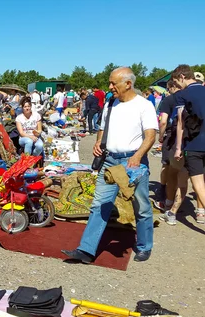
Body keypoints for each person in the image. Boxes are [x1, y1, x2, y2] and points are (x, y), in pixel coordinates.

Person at [62, 67, 158, 263]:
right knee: (99, 204)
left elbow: (150, 136)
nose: (110, 86)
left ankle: (144, 246)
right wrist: (98, 142)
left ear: (128, 84)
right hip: (110, 161)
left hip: (133, 162)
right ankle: (86, 250)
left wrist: (138, 156)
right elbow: (102, 128)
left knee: (140, 206)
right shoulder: (111, 104)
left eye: (114, 83)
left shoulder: (144, 105)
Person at [173, 65, 205, 225]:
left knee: (198, 183)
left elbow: (180, 123)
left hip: (194, 143)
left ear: (182, 77)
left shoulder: (182, 95)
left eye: (177, 82)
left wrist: (178, 148)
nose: (178, 86)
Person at [157, 81, 192, 225]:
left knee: (169, 169)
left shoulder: (170, 99)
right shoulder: (193, 98)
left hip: (173, 138)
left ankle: (166, 200)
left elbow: (163, 121)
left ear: (172, 86)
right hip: (193, 141)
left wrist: (160, 136)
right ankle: (200, 211)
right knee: (187, 176)